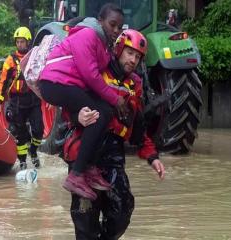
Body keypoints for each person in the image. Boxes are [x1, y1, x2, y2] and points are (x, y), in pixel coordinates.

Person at [64, 29, 165, 240]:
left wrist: (152, 156)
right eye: (130, 53)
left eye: (137, 57)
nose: (133, 60)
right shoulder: (96, 72)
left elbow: (137, 125)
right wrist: (76, 117)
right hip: (86, 150)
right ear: (119, 49)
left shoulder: (134, 85)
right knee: (85, 218)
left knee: (122, 210)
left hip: (113, 153)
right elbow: (68, 104)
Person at [39, 3, 128, 200]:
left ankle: (88, 167)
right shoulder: (87, 35)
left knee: (103, 112)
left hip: (68, 84)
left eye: (119, 27)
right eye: (112, 24)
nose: (116, 30)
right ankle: (77, 174)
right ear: (100, 21)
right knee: (100, 114)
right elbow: (91, 76)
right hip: (55, 83)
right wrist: (116, 99)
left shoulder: (104, 44)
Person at [0, 26, 44, 170]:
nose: (20, 44)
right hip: (17, 102)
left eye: (22, 41)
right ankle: (22, 162)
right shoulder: (10, 60)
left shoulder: (34, 57)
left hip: (33, 99)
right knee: (20, 134)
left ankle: (33, 151)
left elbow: (43, 77)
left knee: (39, 129)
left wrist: (49, 99)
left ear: (28, 42)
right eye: (18, 42)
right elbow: (2, 82)